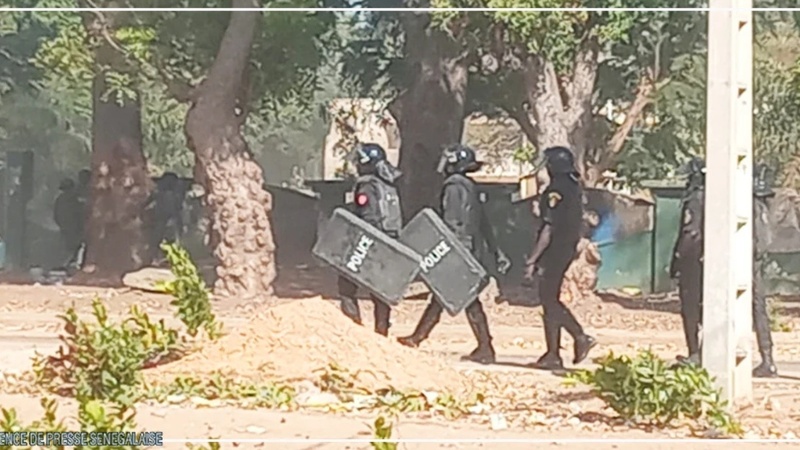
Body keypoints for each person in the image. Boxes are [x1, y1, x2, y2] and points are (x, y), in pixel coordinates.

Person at [397, 144, 511, 364]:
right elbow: (483, 222)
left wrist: (446, 249)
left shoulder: (453, 186)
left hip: (457, 247)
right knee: (449, 295)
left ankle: (484, 347)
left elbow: (451, 221)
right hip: (469, 246)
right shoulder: (470, 186)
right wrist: (495, 251)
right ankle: (420, 337)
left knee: (457, 296)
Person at [523, 146, 596, 370]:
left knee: (549, 299)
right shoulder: (574, 187)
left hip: (555, 249)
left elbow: (549, 228)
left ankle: (579, 336)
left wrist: (532, 259)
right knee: (549, 299)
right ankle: (552, 354)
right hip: (567, 247)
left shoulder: (556, 191)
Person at [338, 143, 403, 336]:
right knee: (379, 289)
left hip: (371, 239)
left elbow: (368, 216)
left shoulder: (366, 185)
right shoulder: (388, 183)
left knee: (346, 284)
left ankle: (354, 329)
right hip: (389, 241)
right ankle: (381, 331)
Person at [670, 157, 706, 365]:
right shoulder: (715, 197)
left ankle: (695, 353)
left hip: (693, 260)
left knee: (690, 308)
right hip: (704, 260)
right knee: (703, 308)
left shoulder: (695, 199)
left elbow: (689, 233)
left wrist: (678, 258)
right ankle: (701, 351)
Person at [752, 163, 778, 378]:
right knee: (759, 309)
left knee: (757, 308)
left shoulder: (753, 207)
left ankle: (767, 360)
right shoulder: (763, 207)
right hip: (756, 263)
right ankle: (767, 359)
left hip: (749, 263)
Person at [147, 172, 185, 259]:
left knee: (159, 238)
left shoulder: (163, 193)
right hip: (167, 219)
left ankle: (156, 255)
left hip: (165, 219)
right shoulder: (174, 193)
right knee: (168, 239)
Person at [53, 178, 83, 266]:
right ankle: (67, 264)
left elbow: (56, 215)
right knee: (71, 248)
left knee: (71, 247)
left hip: (68, 228)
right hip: (72, 228)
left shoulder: (61, 199)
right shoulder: (74, 199)